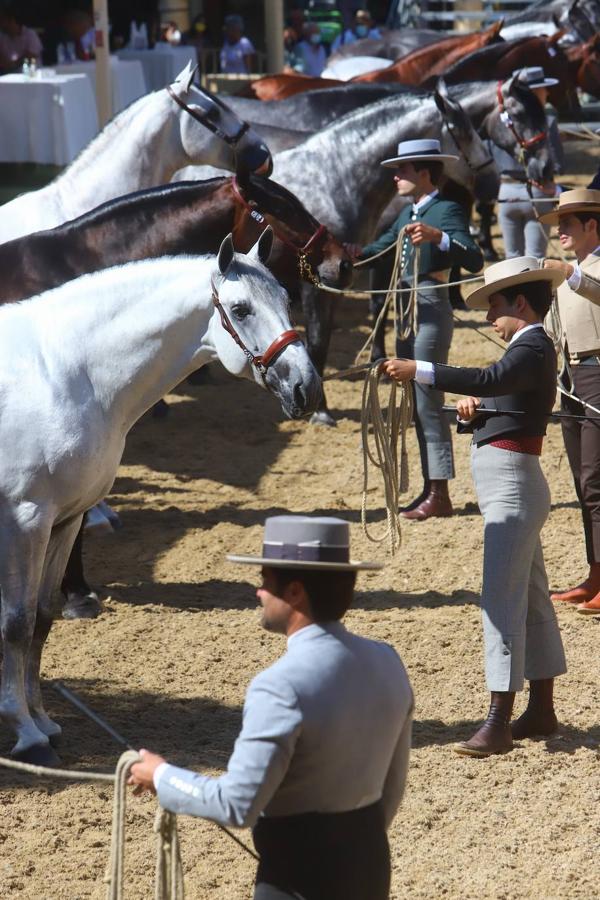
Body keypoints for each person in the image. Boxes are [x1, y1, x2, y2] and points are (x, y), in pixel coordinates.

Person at [129, 515, 414, 899]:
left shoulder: (278, 686)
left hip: (295, 879)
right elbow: (392, 789)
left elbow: (237, 804)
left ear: (295, 592)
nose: (258, 592)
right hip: (370, 867)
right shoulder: (387, 660)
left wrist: (162, 776)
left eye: (265, 581)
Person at [382, 257, 567, 757]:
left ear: (521, 303)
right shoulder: (528, 349)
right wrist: (475, 415)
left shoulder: (530, 344)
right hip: (511, 482)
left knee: (501, 599)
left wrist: (418, 369)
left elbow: (487, 380)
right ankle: (541, 708)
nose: (490, 318)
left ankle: (498, 721)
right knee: (527, 595)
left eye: (496, 307)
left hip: (512, 488)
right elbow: (500, 400)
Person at [348, 139, 483, 520]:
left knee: (426, 398)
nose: (396, 176)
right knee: (414, 400)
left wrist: (440, 238)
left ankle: (439, 491)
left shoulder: (446, 210)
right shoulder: (409, 213)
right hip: (407, 313)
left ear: (425, 173)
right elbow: (378, 249)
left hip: (430, 309)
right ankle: (432, 489)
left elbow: (474, 258)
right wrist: (346, 256)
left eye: (403, 170)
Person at [538, 189, 600, 613]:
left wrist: (568, 275)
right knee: (583, 482)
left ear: (591, 225)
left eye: (568, 223)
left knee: (596, 480)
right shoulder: (569, 273)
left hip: (598, 373)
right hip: (571, 376)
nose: (560, 230)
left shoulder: (582, 272)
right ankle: (595, 573)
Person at [494, 66, 564, 259]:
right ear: (532, 94)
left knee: (512, 257)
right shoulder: (547, 121)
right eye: (543, 89)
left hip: (506, 192)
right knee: (536, 256)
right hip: (538, 191)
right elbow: (558, 163)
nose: (547, 92)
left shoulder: (499, 122)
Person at [0, 5, 42, 73]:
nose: (1, 25)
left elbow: (32, 55)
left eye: (2, 21)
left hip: (32, 74)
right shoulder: (1, 37)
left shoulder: (30, 35)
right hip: (8, 76)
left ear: (12, 21)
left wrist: (14, 64)